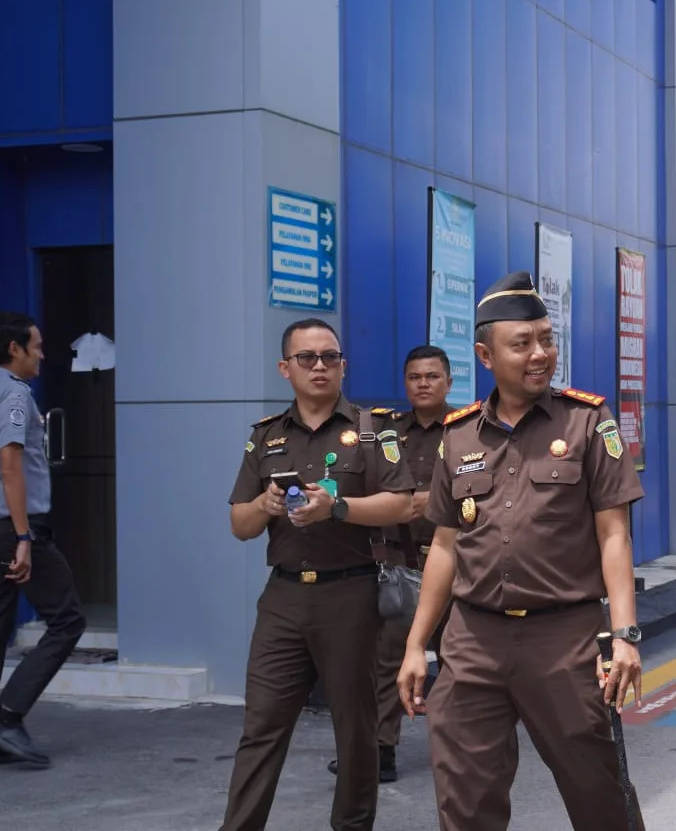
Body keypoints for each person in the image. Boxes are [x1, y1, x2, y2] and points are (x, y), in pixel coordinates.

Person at [396, 271, 647, 831]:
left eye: (547, 339)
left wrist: (625, 636)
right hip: (472, 642)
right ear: (486, 354)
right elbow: (444, 545)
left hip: (565, 641)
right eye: (523, 344)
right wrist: (417, 646)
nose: (540, 354)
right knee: (465, 802)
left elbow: (614, 535)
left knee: (597, 795)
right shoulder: (457, 435)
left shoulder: (586, 422)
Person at [220, 317, 414, 831]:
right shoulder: (265, 438)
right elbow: (239, 524)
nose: (320, 366)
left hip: (349, 594)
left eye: (330, 357)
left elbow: (402, 503)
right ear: (286, 368)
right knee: (261, 726)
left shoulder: (375, 430)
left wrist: (338, 508)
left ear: (343, 365)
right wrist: (265, 504)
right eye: (307, 358)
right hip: (282, 599)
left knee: (356, 731)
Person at [326, 344, 455, 782]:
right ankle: (380, 751)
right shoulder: (387, 431)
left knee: (460, 660)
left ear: (448, 382)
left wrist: (432, 503)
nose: (423, 384)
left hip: (456, 562)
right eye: (415, 377)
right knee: (384, 662)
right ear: (406, 383)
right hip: (399, 564)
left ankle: (462, 750)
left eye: (432, 376)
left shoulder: (467, 430)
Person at [0, 311, 87, 769]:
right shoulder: (14, 396)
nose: (42, 354)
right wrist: (23, 536)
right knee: (68, 619)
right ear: (14, 349)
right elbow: (10, 466)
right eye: (35, 346)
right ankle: (7, 716)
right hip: (12, 527)